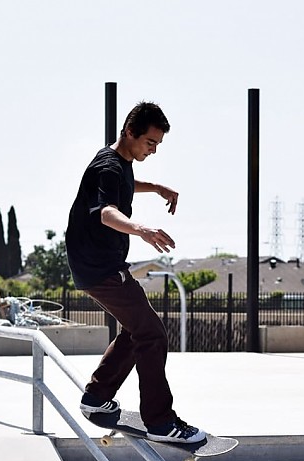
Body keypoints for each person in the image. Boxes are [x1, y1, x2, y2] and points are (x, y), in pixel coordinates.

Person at [65, 101, 206, 443]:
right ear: (130, 132)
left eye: (157, 145)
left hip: (99, 264)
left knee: (136, 330)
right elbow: (106, 211)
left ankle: (97, 398)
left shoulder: (121, 164)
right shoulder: (108, 167)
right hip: (100, 267)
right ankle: (160, 421)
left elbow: (126, 185)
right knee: (152, 334)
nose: (153, 150)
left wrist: (156, 188)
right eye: (150, 143)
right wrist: (141, 229)